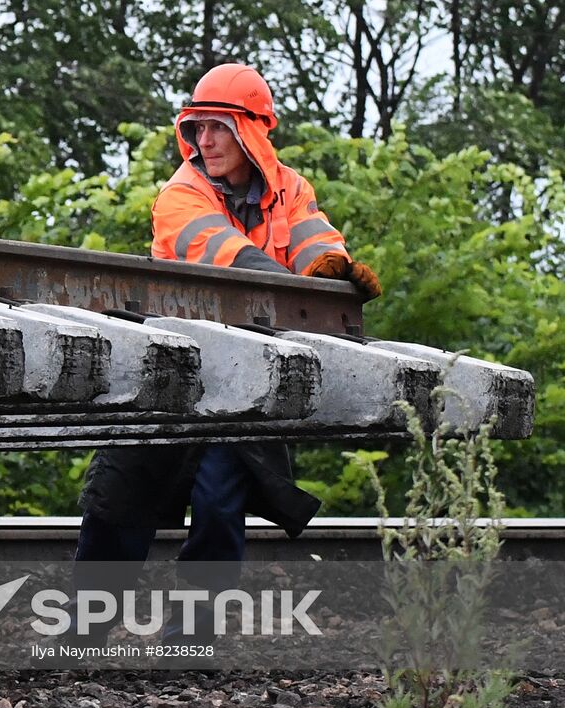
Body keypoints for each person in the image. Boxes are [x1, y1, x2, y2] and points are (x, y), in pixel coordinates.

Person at [71, 63, 381, 644]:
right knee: (118, 501)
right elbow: (231, 262)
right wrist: (301, 292)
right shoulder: (181, 194)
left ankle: (190, 639)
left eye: (217, 128)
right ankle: (78, 637)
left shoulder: (291, 187)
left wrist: (329, 274)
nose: (204, 142)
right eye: (196, 129)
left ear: (253, 134)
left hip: (244, 381)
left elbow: (314, 238)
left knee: (219, 504)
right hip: (167, 372)